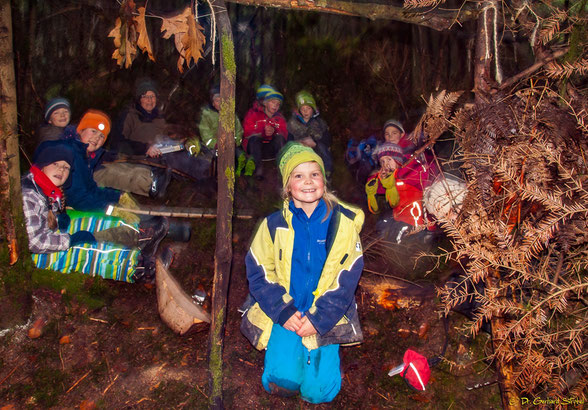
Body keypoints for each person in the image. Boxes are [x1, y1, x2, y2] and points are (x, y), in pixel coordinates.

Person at [240, 142, 364, 403]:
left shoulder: (342, 224)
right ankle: (286, 346)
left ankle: (325, 359)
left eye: (314, 174)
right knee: (280, 382)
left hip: (326, 314)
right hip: (288, 311)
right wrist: (283, 311)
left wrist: (319, 319)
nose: (308, 182)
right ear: (288, 186)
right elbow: (259, 269)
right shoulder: (273, 225)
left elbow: (348, 276)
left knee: (318, 394)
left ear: (323, 180)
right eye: (299, 175)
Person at [21, 141, 167, 283]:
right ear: (42, 166)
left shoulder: (49, 189)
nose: (61, 170)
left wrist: (61, 220)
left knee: (87, 226)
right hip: (32, 256)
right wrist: (70, 240)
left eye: (66, 167)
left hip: (48, 235)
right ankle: (139, 269)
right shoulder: (29, 196)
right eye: (55, 164)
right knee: (83, 249)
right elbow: (33, 242)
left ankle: (139, 241)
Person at [111, 77, 211, 181]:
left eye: (152, 96)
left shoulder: (158, 118)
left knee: (194, 157)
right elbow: (118, 143)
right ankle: (207, 177)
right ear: (139, 99)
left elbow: (166, 136)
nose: (150, 100)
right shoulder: (129, 116)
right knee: (179, 161)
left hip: (163, 154)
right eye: (145, 96)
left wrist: (180, 141)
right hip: (141, 159)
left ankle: (213, 173)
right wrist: (145, 148)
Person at [365, 142, 430, 243]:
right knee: (385, 232)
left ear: (397, 160)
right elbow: (377, 188)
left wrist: (399, 173)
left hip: (415, 223)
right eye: (382, 161)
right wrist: (374, 180)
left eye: (389, 159)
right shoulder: (388, 179)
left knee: (398, 243)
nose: (385, 164)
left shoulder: (408, 173)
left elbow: (422, 174)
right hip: (399, 221)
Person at [197, 85, 250, 176]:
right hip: (214, 147)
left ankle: (239, 180)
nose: (221, 103)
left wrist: (235, 141)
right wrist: (216, 144)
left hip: (231, 145)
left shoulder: (231, 114)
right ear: (213, 103)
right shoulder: (207, 115)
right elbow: (205, 134)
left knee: (240, 158)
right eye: (217, 100)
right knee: (213, 162)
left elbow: (239, 130)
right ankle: (216, 180)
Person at [242, 84, 287, 178]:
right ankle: (258, 169)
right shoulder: (253, 114)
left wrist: (274, 131)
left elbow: (284, 132)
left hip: (270, 149)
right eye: (272, 102)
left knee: (280, 138)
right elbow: (247, 131)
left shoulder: (279, 117)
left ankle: (283, 168)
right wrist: (262, 131)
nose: (275, 106)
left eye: (278, 104)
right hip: (256, 148)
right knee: (254, 140)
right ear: (265, 103)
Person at [287, 91, 333, 176]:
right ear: (299, 110)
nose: (305, 111)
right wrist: (299, 143)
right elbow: (289, 141)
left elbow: (328, 140)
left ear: (313, 109)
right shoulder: (292, 123)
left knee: (323, 148)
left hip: (317, 150)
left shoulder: (320, 123)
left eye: (308, 108)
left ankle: (327, 173)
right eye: (303, 109)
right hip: (299, 151)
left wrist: (315, 142)